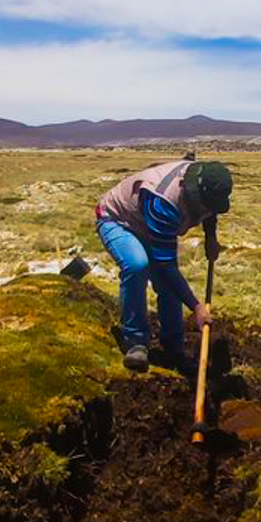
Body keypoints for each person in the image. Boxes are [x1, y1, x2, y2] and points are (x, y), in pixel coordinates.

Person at [95, 159, 232, 372]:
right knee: (138, 265)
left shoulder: (204, 182)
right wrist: (196, 307)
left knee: (168, 286)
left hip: (150, 223)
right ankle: (136, 341)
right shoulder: (163, 201)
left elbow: (210, 210)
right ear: (193, 194)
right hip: (118, 220)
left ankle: (174, 348)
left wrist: (210, 238)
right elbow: (166, 266)